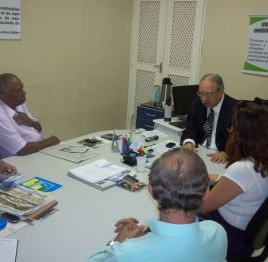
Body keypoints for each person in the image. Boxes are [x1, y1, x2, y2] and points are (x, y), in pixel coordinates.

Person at [89, 148, 227, 262]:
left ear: (150, 189)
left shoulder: (125, 254)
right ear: (206, 192)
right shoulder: (217, 232)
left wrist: (117, 242)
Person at [201, 101, 268, 258]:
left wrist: (184, 183)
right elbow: (237, 185)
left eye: (233, 126)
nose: (230, 130)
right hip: (244, 233)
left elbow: (204, 206)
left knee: (178, 208)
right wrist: (203, 177)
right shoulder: (260, 161)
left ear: (242, 133)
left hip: (229, 238)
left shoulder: (242, 169)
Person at [0, 73, 60, 158]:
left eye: (22, 88)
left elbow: (39, 128)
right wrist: (48, 142)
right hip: (21, 160)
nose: (24, 92)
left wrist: (31, 122)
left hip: (38, 151)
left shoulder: (18, 104)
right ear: (3, 96)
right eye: (18, 91)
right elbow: (22, 150)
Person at [181, 73, 237, 163]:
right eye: (200, 93)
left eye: (208, 94)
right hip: (199, 151)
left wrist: (228, 153)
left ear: (220, 92)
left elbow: (242, 141)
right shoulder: (196, 105)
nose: (203, 99)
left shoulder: (235, 109)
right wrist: (189, 142)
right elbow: (190, 129)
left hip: (220, 157)